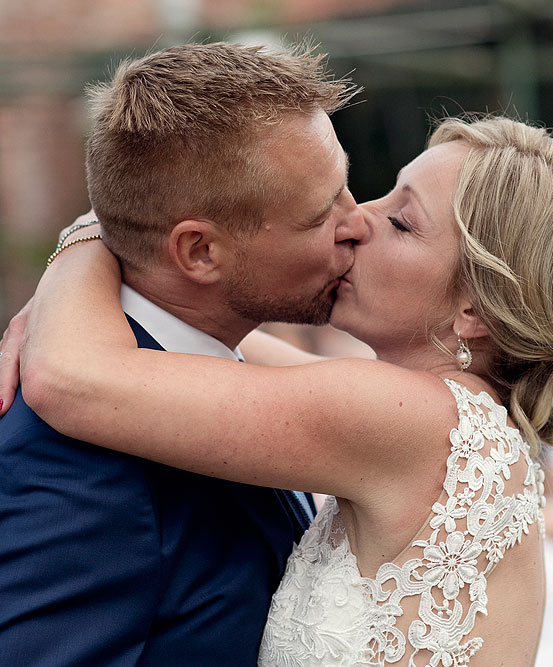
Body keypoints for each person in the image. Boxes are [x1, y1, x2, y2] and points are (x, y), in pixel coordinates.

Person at [5, 115, 553, 665]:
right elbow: (202, 343)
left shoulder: (412, 421)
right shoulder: (454, 424)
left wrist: (91, 237)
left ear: (475, 312)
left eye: (402, 221)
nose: (357, 220)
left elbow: (72, 378)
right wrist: (145, 227)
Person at [0, 42, 365, 666]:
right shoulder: (77, 470)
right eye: (318, 215)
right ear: (198, 252)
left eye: (346, 188)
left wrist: (82, 239)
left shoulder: (217, 360)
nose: (357, 222)